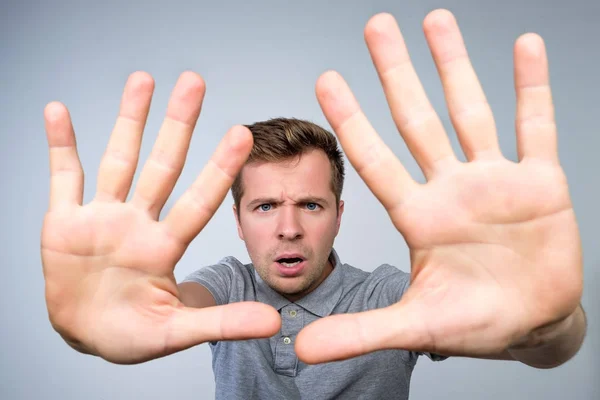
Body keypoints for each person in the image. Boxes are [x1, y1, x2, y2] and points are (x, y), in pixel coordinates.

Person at [41, 9, 587, 400]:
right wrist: (103, 317)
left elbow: (539, 350)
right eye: (262, 208)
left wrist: (551, 329)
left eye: (310, 204)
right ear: (236, 221)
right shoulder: (226, 286)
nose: (287, 228)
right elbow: (174, 306)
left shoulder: (389, 293)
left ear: (339, 215)